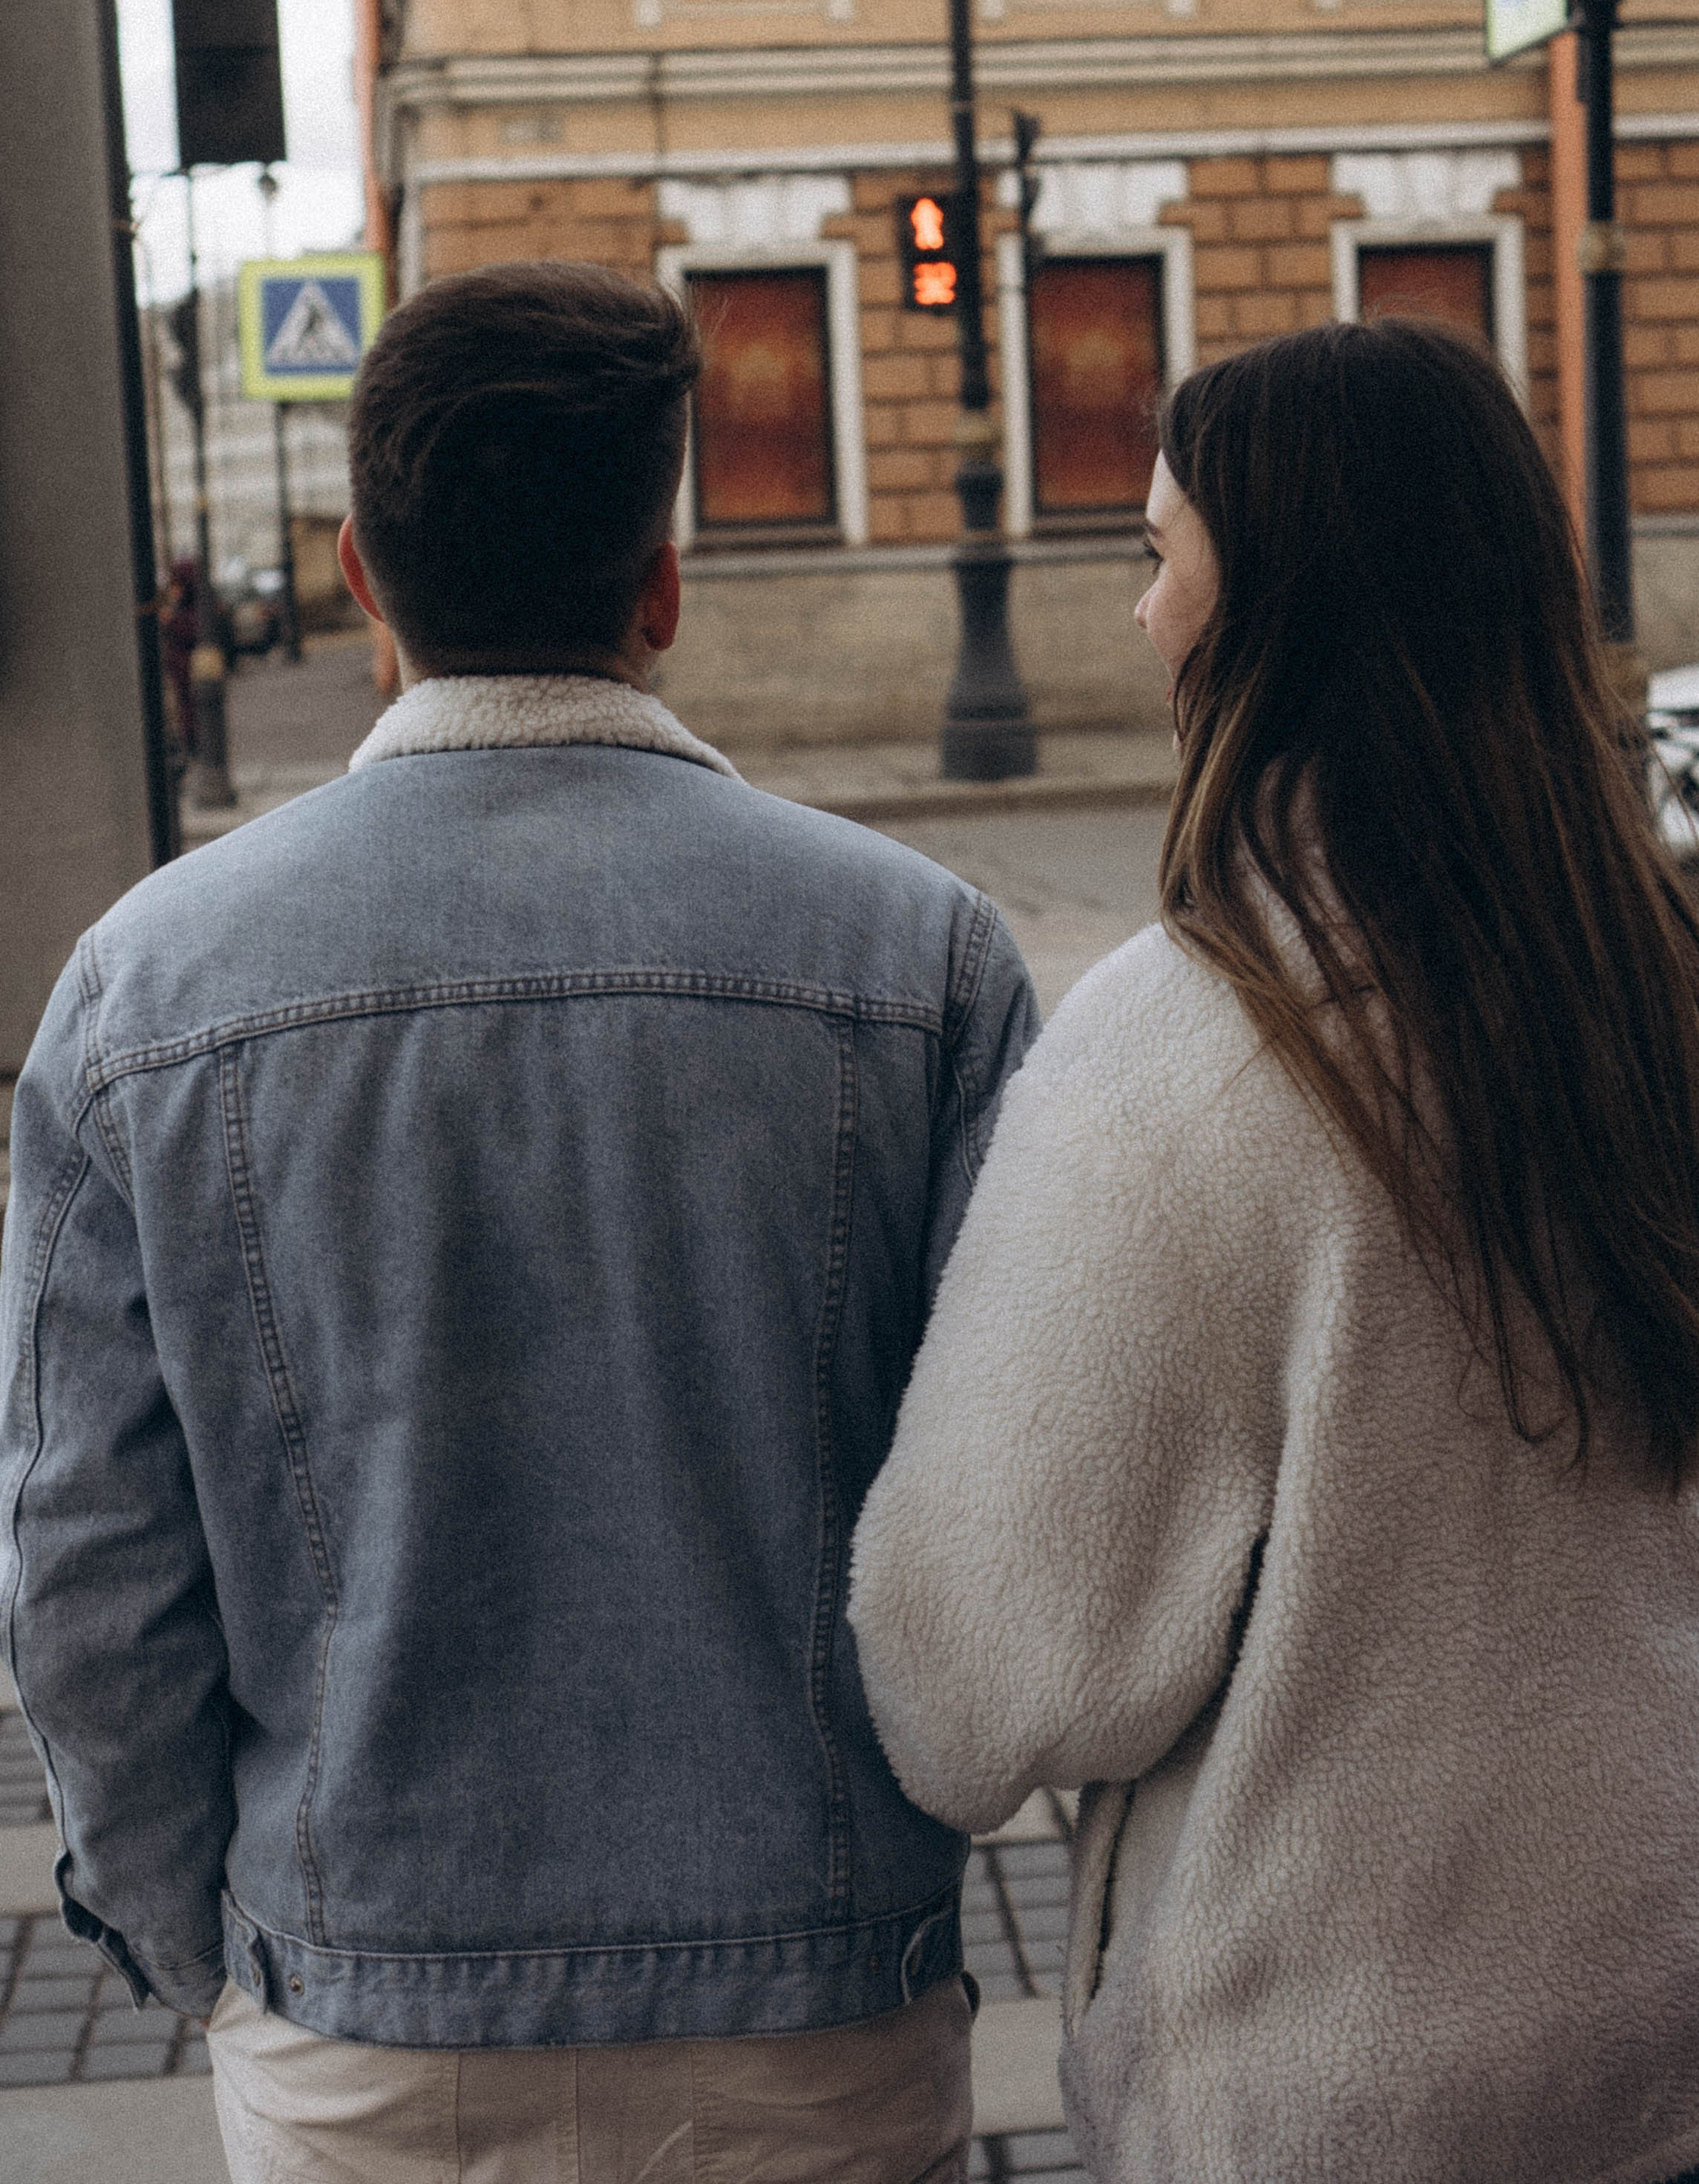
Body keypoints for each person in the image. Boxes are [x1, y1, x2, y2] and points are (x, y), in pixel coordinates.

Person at [0, 262, 1036, 2184]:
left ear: (358, 576)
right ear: (659, 583)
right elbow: (996, 1522)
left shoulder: (143, 987)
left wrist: (207, 1952)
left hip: (359, 2026)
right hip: (817, 2010)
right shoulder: (920, 955)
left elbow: (83, 1569)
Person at [851, 320, 1699, 2184]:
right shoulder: (1648, 982)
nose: (1141, 618)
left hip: (1335, 2089)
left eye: (1160, 557)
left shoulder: (1182, 1043)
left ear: (1271, 609)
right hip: (1680, 2037)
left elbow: (980, 1678)